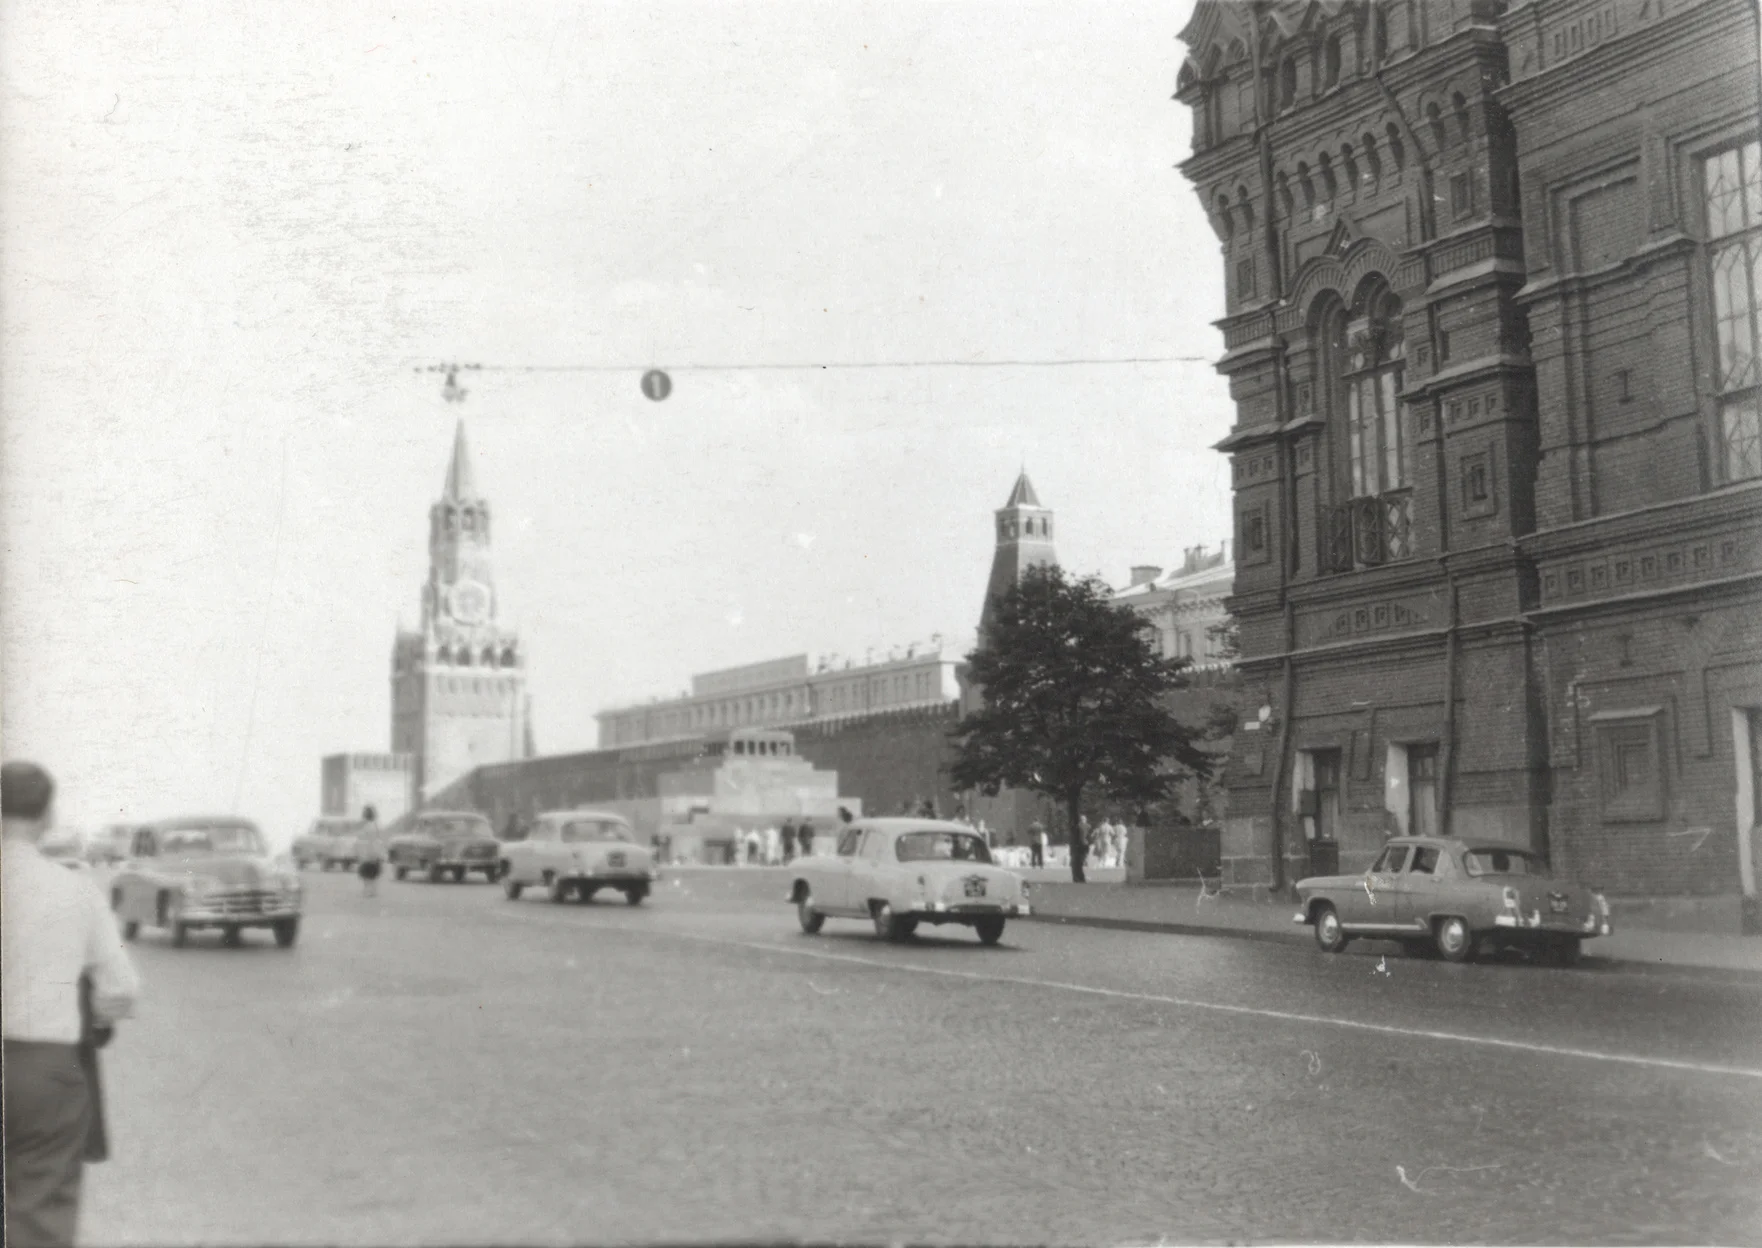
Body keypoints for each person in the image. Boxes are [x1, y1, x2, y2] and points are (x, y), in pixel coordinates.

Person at [3, 761, 141, 1248]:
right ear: (46, 816)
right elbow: (122, 990)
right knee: (39, 1212)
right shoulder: (75, 891)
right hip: (45, 1071)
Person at [356, 805, 386, 897]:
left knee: (367, 872)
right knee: (372, 872)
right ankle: (372, 891)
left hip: (369, 852)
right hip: (373, 851)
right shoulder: (375, 825)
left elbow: (370, 840)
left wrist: (368, 853)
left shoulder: (369, 826)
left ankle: (368, 891)